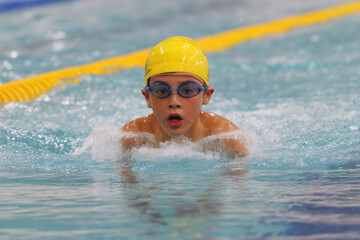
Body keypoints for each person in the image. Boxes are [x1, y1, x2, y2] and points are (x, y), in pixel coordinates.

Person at [121, 36, 247, 159]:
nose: (174, 102)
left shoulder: (227, 139)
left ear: (207, 95)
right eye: (161, 91)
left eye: (187, 90)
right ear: (147, 97)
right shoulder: (132, 137)